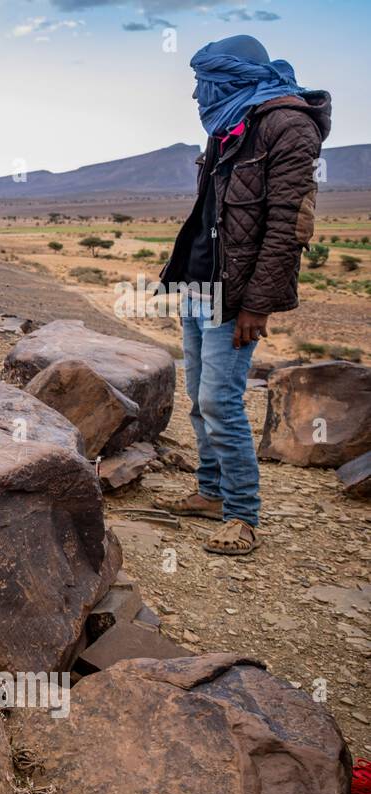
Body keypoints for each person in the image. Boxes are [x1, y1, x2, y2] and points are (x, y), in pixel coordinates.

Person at [156, 35, 331, 556]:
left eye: (201, 82)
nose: (195, 95)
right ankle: (210, 493)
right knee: (198, 396)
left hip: (235, 296)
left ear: (231, 78)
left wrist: (258, 304)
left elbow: (286, 227)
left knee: (220, 400)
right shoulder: (226, 125)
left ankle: (242, 514)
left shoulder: (289, 126)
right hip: (200, 281)